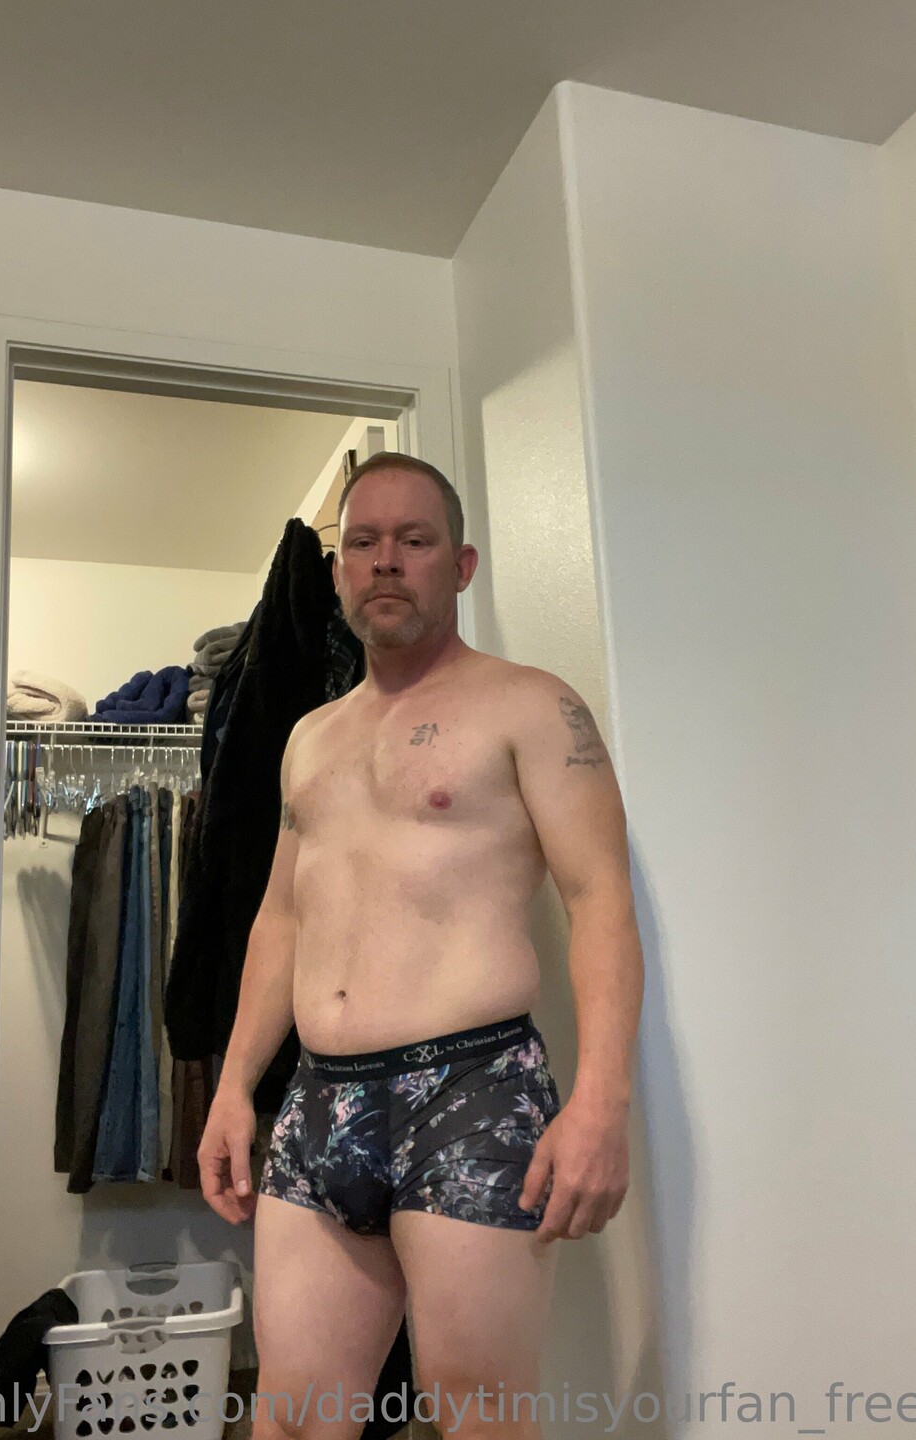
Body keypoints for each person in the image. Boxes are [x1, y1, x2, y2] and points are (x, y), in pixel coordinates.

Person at [198, 452, 644, 1440]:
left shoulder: (532, 705)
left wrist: (602, 1102)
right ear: (339, 572)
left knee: (476, 1414)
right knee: (294, 1416)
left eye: (414, 540)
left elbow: (600, 899)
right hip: (320, 1098)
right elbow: (280, 919)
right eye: (363, 542)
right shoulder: (309, 737)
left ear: (461, 565)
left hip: (471, 1092)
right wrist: (233, 1086)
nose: (386, 561)